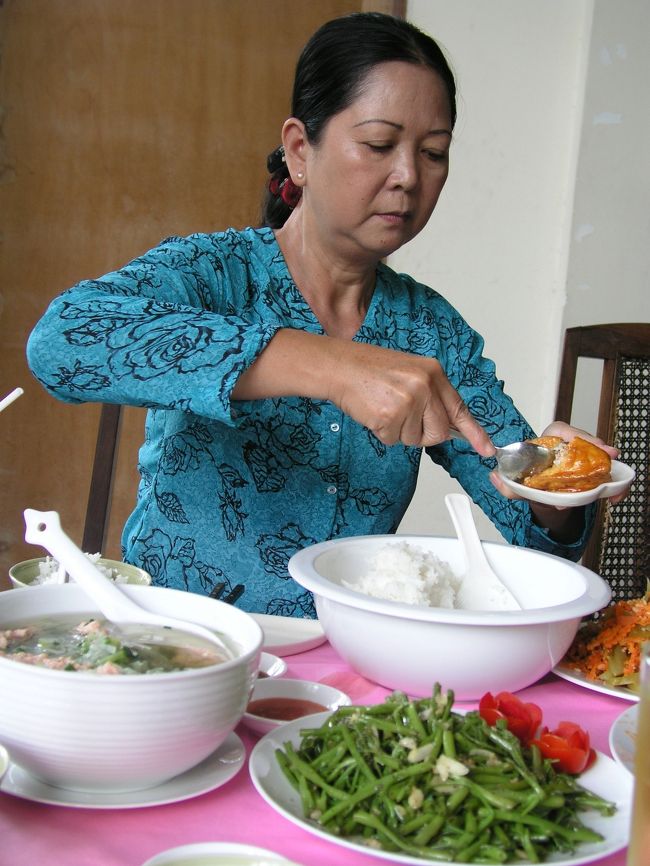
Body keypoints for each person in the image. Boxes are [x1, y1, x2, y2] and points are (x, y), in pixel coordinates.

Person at [26, 12, 624, 617]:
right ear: (299, 151)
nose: (409, 177)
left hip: (345, 665)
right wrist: (332, 366)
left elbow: (533, 528)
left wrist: (557, 482)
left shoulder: (429, 330)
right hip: (183, 647)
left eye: (434, 153)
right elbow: (61, 340)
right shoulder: (213, 273)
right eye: (378, 145)